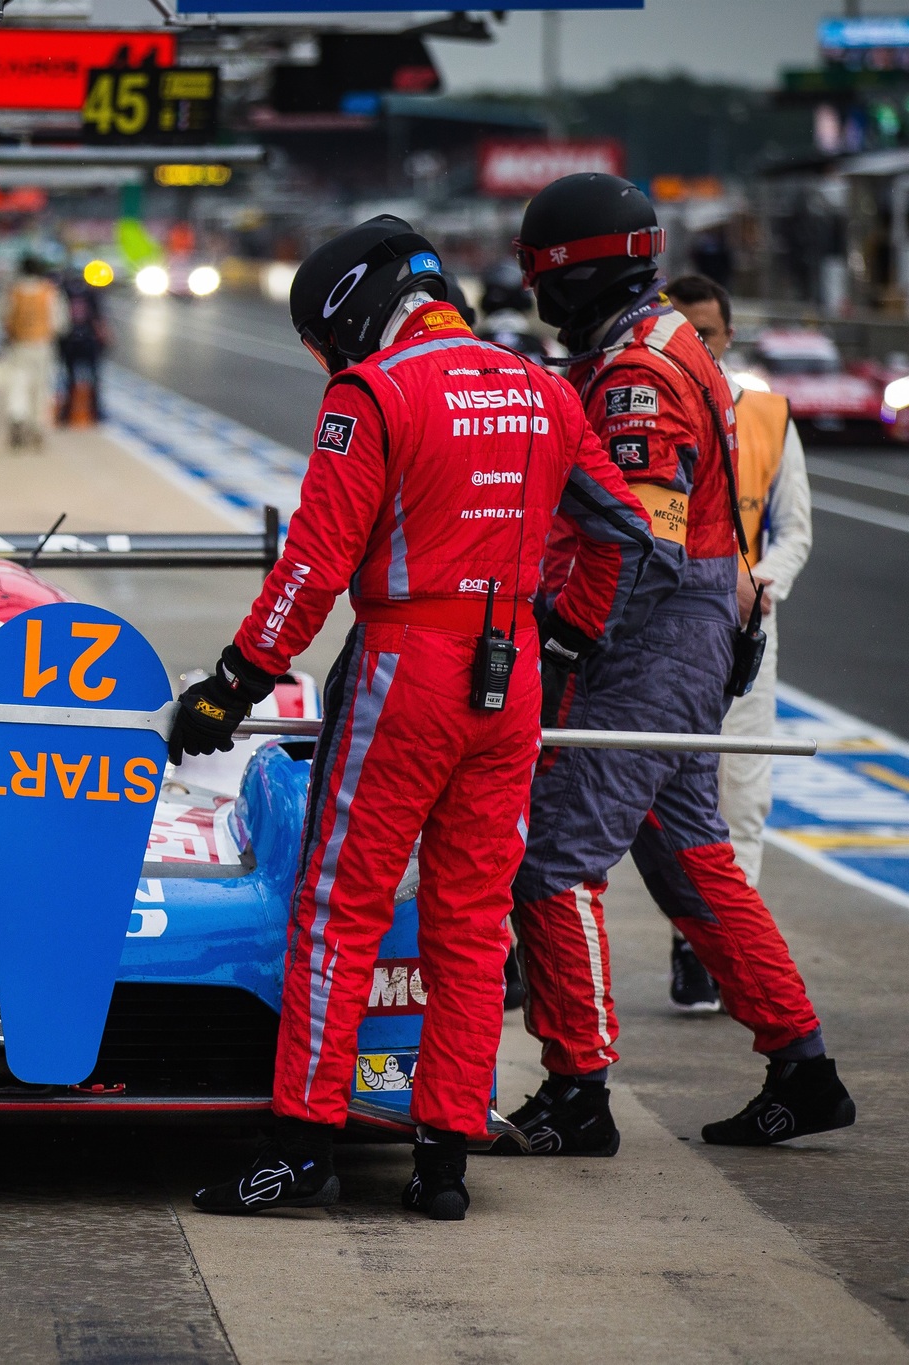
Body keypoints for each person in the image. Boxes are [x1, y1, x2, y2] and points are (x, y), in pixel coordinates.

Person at [171, 216, 658, 1221]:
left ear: (351, 309)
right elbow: (626, 523)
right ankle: (443, 1161)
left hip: (407, 669)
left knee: (335, 909)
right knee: (472, 926)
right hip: (510, 672)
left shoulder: (372, 393)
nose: (328, 359)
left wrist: (232, 685)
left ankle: (301, 1146)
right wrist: (568, 632)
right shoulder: (540, 385)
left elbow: (311, 562)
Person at [505, 174, 854, 1154]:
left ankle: (577, 1091)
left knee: (552, 865)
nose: (536, 296)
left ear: (577, 271)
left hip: (647, 638)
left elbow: (637, 540)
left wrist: (565, 634)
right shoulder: (653, 343)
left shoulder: (636, 374)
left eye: (542, 277)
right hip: (687, 631)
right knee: (690, 857)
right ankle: (803, 1067)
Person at [665, 272, 813, 1012]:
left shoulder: (767, 416)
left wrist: (760, 580)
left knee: (742, 797)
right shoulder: (645, 405)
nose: (700, 344)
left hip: (748, 633)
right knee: (666, 795)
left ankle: (711, 952)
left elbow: (797, 531)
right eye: (684, 331)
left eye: (710, 333)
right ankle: (690, 932)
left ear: (728, 337)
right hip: (662, 633)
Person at [0, 255, 62, 449]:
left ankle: (17, 417)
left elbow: (4, 316)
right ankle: (37, 426)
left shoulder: (13, 291)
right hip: (42, 345)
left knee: (18, 384)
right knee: (41, 387)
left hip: (19, 345)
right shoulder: (49, 291)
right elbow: (59, 321)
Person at [57, 267, 110, 425]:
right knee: (92, 378)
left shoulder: (63, 293)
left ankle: (68, 413)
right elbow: (98, 320)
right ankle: (94, 412)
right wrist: (103, 338)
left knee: (69, 378)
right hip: (87, 340)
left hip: (70, 340)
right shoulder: (91, 294)